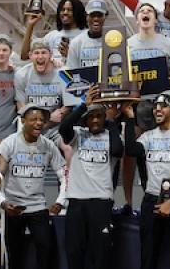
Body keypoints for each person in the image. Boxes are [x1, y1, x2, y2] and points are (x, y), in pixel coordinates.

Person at [123, 91, 170, 269]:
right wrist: (130, 119)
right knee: (148, 257)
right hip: (151, 200)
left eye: (163, 106)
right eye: (155, 106)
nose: (157, 109)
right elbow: (132, 150)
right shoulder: (148, 136)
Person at [0, 103, 67, 269]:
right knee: (15, 254)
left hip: (38, 206)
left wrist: (61, 200)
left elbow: (64, 174)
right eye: (33, 119)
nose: (39, 123)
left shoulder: (48, 145)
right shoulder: (9, 143)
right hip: (13, 206)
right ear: (23, 121)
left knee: (46, 249)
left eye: (42, 120)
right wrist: (2, 202)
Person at [122, 3, 170, 209]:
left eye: (150, 11)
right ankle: (128, 202)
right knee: (132, 152)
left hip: (161, 104)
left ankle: (162, 198)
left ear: (156, 19)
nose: (145, 13)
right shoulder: (127, 45)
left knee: (159, 153)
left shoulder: (168, 44)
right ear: (137, 19)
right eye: (142, 11)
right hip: (136, 105)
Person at [59, 86, 123, 269]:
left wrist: (111, 122)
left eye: (99, 116)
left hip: (101, 202)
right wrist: (82, 106)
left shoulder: (112, 136)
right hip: (77, 201)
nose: (95, 120)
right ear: (86, 119)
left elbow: (118, 151)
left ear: (104, 119)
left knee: (100, 252)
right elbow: (64, 128)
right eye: (91, 117)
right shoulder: (78, 135)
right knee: (74, 251)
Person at [14, 39, 68, 142]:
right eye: (36, 53)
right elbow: (21, 106)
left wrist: (61, 112)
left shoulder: (63, 73)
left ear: (50, 55)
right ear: (30, 55)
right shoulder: (21, 75)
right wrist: (47, 118)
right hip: (30, 127)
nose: (40, 57)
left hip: (56, 129)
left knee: (67, 147)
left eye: (44, 53)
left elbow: (69, 105)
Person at [21, 0, 87, 66]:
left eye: (69, 10)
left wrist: (70, 55)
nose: (65, 12)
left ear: (78, 12)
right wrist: (30, 25)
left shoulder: (86, 35)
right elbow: (25, 55)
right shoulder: (52, 36)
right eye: (63, 10)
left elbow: (91, 64)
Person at [66, 0, 109, 68]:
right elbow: (71, 70)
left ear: (105, 16)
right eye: (92, 15)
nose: (96, 19)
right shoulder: (76, 43)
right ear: (86, 16)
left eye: (99, 15)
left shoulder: (112, 42)